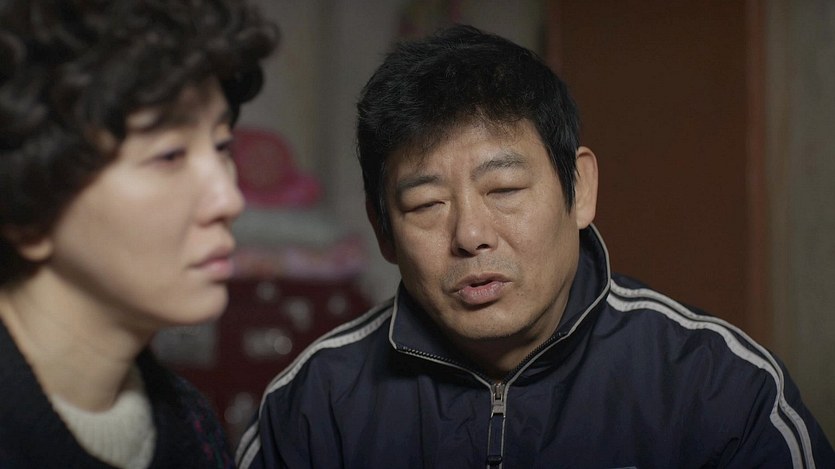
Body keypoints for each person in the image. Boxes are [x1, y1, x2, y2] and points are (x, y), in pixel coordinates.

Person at [236, 25, 834, 468]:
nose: (470, 235)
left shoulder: (719, 387)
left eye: (504, 189)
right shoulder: (314, 405)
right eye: (425, 204)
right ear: (382, 230)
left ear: (580, 189)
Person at [0, 1, 276, 467]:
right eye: (169, 156)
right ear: (28, 210)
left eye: (222, 145)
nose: (229, 199)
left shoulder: (193, 427)